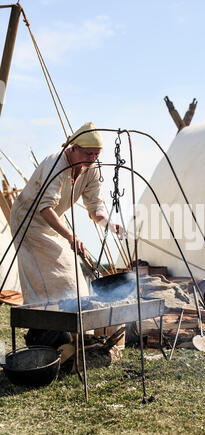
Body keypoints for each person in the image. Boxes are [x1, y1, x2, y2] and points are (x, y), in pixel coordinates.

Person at [10, 122, 123, 308]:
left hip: (54, 221)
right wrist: (70, 235)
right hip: (29, 221)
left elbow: (95, 207)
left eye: (97, 154)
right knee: (44, 276)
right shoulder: (56, 164)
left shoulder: (91, 169)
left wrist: (110, 225)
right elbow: (45, 207)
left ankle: (67, 322)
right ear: (75, 148)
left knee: (72, 275)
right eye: (89, 153)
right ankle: (45, 324)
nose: (93, 158)